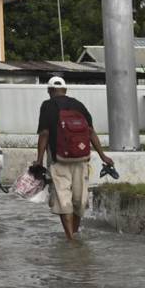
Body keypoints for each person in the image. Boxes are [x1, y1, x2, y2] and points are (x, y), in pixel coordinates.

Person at [35, 76, 112, 240]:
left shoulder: (47, 106)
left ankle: (70, 239)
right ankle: (76, 235)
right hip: (82, 159)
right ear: (65, 90)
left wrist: (39, 160)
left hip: (59, 161)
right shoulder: (79, 105)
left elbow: (44, 134)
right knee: (79, 200)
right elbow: (90, 132)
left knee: (64, 200)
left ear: (49, 91)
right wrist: (103, 156)